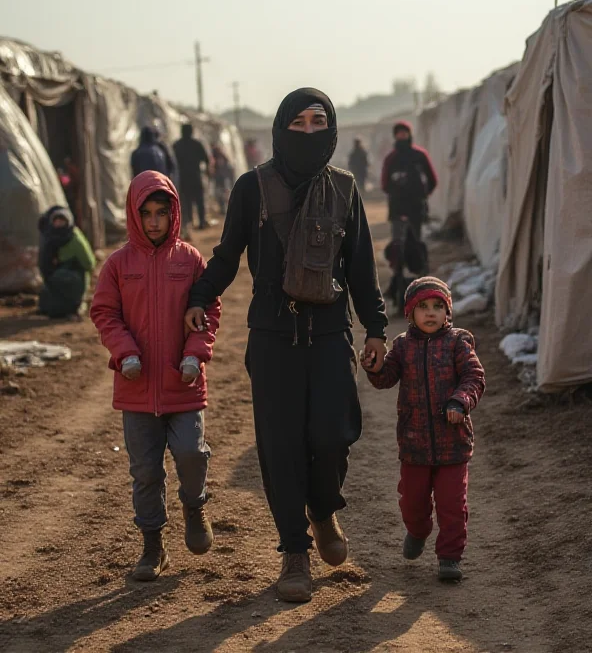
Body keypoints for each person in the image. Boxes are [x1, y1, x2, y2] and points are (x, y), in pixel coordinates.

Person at [184, 87, 388, 603]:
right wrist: (200, 295)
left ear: (333, 129)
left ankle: (322, 510)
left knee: (331, 436)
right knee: (280, 449)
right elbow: (229, 255)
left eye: (319, 122)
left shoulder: (344, 189)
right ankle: (295, 552)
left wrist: (377, 328)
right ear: (280, 128)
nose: (309, 132)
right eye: (298, 123)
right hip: (273, 336)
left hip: (328, 335)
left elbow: (360, 267)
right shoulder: (251, 188)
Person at [90, 171, 221, 582]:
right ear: (133, 213)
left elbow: (209, 311)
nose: (152, 222)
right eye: (144, 213)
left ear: (173, 213)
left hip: (183, 382)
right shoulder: (118, 264)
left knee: (191, 453)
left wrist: (194, 355)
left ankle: (194, 504)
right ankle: (153, 547)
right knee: (145, 471)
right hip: (136, 388)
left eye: (161, 213)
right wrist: (124, 352)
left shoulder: (190, 260)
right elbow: (104, 313)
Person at [362, 277, 485, 583]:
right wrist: (373, 367)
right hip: (414, 444)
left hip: (453, 443)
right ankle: (418, 531)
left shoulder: (458, 343)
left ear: (448, 313)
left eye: (438, 307)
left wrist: (460, 401)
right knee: (412, 502)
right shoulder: (403, 346)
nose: (431, 313)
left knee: (452, 505)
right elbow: (385, 378)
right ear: (410, 314)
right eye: (423, 307)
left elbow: (474, 377)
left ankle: (449, 557)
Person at [381, 121, 438, 243]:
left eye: (404, 133)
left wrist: (423, 195)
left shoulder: (420, 155)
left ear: (409, 134)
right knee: (398, 241)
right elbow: (385, 184)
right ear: (395, 136)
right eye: (399, 134)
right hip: (397, 206)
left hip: (416, 205)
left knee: (416, 239)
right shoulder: (391, 158)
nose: (402, 136)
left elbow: (432, 179)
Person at [37, 206, 95, 319]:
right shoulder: (50, 237)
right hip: (54, 278)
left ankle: (73, 307)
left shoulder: (74, 238)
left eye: (62, 221)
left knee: (62, 278)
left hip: (75, 278)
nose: (59, 224)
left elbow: (89, 263)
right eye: (56, 221)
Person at [173, 123, 210, 234]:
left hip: (183, 178)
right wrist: (207, 171)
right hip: (195, 176)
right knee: (199, 200)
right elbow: (206, 159)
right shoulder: (197, 144)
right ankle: (202, 221)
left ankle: (189, 222)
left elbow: (173, 162)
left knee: (186, 200)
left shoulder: (177, 145)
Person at [211, 144, 235, 215]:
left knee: (223, 194)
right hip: (220, 179)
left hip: (222, 179)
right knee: (221, 194)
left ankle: (225, 209)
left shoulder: (220, 158)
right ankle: (223, 208)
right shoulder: (217, 158)